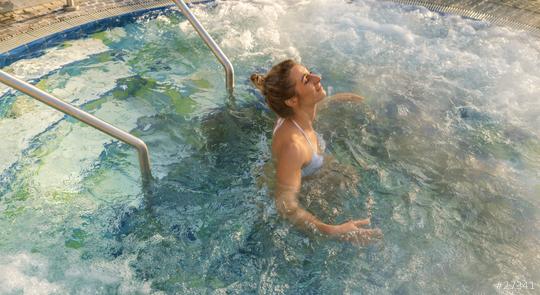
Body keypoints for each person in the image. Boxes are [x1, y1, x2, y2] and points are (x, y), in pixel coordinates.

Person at [251, 59, 382, 244]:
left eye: (310, 72)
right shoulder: (294, 147)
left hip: (310, 175)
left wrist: (334, 100)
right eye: (306, 79)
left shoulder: (296, 114)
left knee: (349, 176)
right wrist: (334, 230)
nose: (317, 77)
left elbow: (307, 108)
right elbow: (285, 205)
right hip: (308, 196)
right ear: (292, 100)